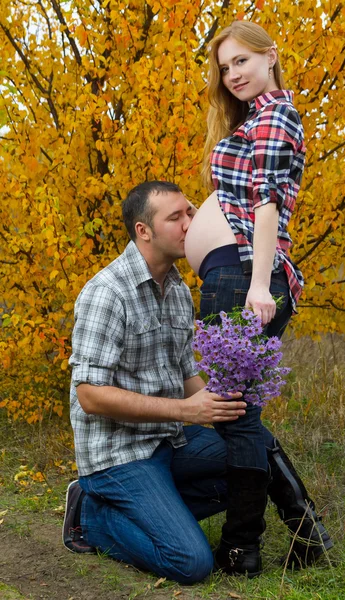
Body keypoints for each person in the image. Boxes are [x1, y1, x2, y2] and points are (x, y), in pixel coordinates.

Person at [184, 20, 333, 576]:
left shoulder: (277, 114)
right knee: (239, 412)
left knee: (235, 415)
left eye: (241, 61)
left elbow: (268, 202)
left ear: (271, 57)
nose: (232, 74)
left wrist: (255, 283)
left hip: (245, 277)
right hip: (238, 275)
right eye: (224, 68)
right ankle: (302, 532)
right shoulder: (258, 120)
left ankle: (248, 545)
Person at [63, 180, 248, 584]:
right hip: (119, 454)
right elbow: (90, 395)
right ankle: (91, 517)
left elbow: (184, 375)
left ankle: (156, 510)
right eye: (176, 217)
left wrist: (227, 405)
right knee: (191, 563)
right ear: (143, 230)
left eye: (191, 212)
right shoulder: (106, 292)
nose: (190, 223)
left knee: (251, 457)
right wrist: (186, 411)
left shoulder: (180, 291)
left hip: (168, 440)